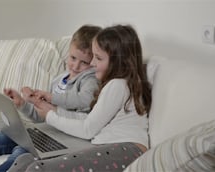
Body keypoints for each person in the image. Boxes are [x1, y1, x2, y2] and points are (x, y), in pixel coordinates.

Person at [0, 25, 101, 172]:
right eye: (72, 58)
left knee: (20, 156)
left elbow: (83, 100)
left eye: (84, 62)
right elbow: (40, 117)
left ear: (94, 62)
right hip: (44, 131)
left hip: (62, 140)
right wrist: (23, 104)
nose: (76, 66)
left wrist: (51, 97)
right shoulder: (59, 79)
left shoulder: (89, 80)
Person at [8, 24, 152, 172]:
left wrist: (50, 116)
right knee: (24, 160)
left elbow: (87, 129)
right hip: (116, 147)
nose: (92, 63)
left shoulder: (118, 85)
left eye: (98, 58)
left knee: (36, 169)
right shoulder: (119, 85)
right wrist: (49, 110)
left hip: (127, 151)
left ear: (118, 61)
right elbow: (89, 122)